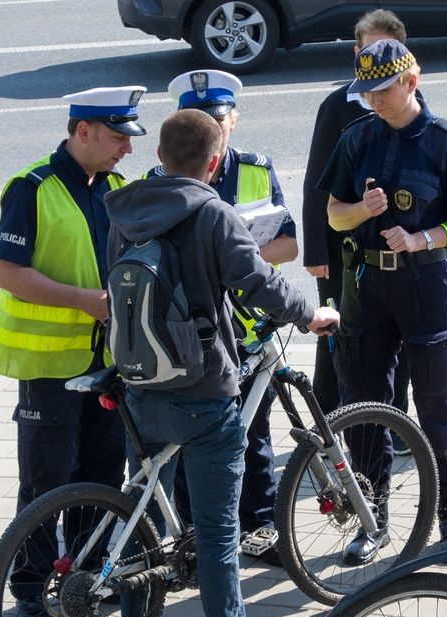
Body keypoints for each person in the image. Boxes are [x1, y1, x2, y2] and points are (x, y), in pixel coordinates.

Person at [104, 109, 339, 617]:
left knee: (145, 516)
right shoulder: (213, 211)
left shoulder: (128, 209)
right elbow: (258, 283)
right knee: (215, 533)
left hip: (140, 380)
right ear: (215, 162)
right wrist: (312, 313)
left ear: (160, 155)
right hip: (202, 390)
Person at [318, 38, 447, 562]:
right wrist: (362, 211)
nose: (372, 100)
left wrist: (423, 239)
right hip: (368, 284)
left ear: (411, 82)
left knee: (437, 403)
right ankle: (375, 522)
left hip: (426, 283)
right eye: (366, 91)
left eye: (382, 90)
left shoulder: (446, 141)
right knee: (368, 404)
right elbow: (332, 214)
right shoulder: (356, 138)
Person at [0, 86, 146, 617]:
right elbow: (8, 273)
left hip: (106, 365)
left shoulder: (116, 187)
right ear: (83, 132)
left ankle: (85, 579)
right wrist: (85, 301)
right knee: (45, 485)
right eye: (118, 137)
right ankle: (30, 591)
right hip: (48, 369)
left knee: (101, 477)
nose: (126, 149)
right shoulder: (32, 188)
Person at [154, 68, 297, 567]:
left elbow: (290, 243)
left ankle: (259, 526)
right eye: (204, 117)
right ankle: (198, 532)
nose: (217, 124)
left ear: (234, 117)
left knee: (255, 434)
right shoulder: (162, 180)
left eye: (222, 115)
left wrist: (244, 256)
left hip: (250, 326)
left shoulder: (257, 167)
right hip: (195, 331)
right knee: (198, 438)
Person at [302, 10, 413, 421]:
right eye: (366, 50)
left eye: (384, 51)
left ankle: (394, 416)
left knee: (392, 339)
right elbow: (317, 181)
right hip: (341, 247)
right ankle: (327, 419)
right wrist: (316, 250)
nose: (373, 60)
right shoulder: (338, 105)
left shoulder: (409, 102)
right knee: (336, 336)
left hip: (392, 249)